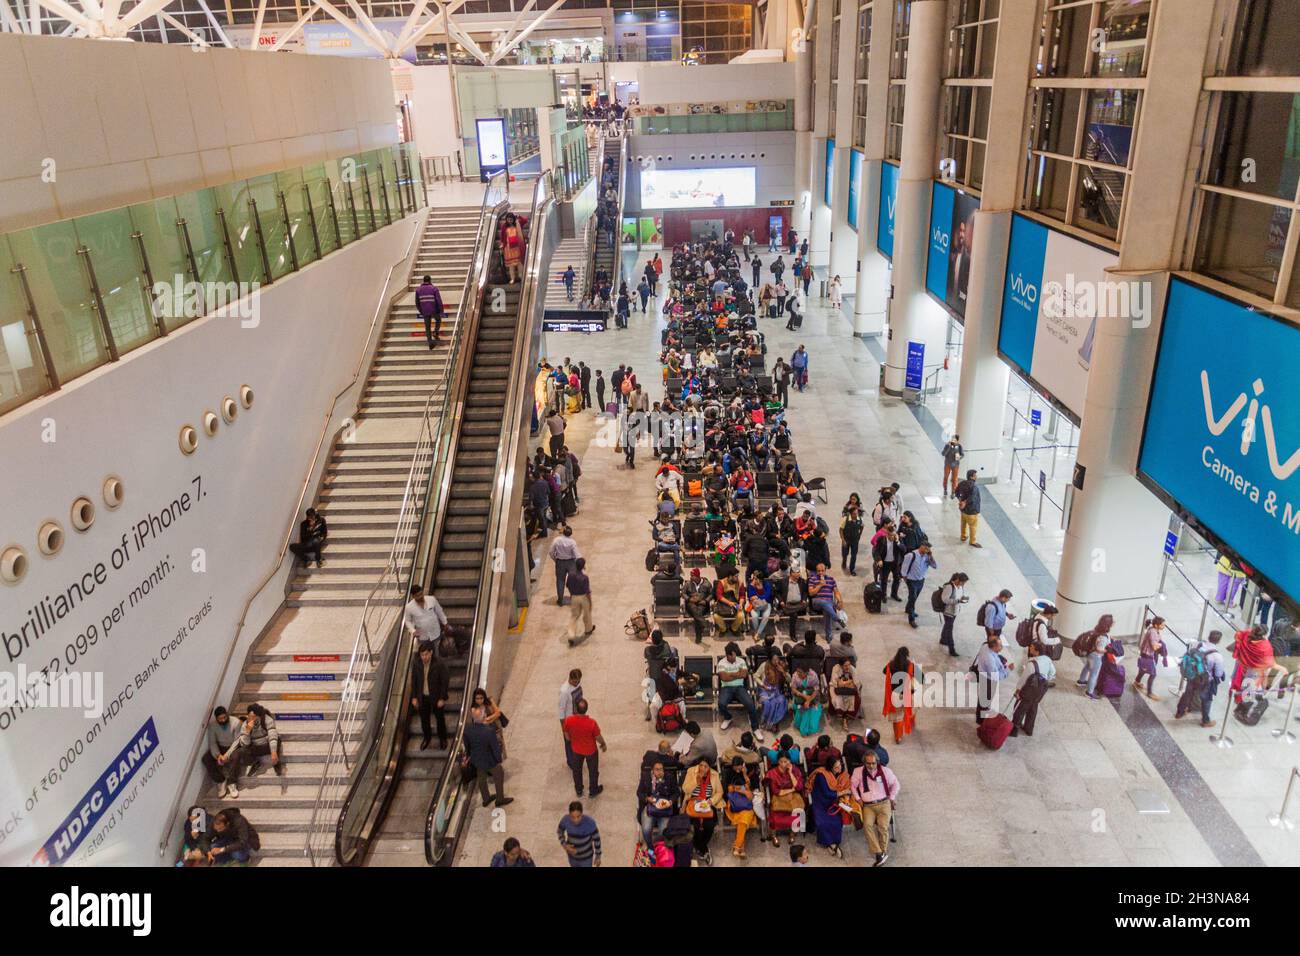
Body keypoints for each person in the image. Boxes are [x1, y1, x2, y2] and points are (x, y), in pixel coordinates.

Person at [850, 750, 899, 866]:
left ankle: (881, 853)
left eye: (873, 763)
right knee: (867, 825)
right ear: (864, 763)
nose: (871, 766)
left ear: (877, 762)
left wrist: (892, 797)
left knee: (883, 826)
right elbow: (852, 785)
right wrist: (857, 798)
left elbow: (896, 784)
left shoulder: (886, 772)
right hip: (868, 806)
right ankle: (879, 853)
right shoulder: (858, 772)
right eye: (868, 763)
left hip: (884, 803)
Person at [220, 703, 283, 782]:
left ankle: (276, 763)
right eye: (249, 716)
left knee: (277, 740)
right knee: (241, 751)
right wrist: (247, 731)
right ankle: (255, 763)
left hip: (267, 745)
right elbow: (244, 743)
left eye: (254, 716)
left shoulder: (267, 719)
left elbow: (272, 735)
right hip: (256, 747)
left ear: (259, 716)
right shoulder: (245, 725)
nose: (251, 718)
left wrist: (273, 752)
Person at [1175, 630, 1226, 727]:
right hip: (1205, 680)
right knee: (1206, 699)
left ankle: (1180, 712)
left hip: (1192, 675)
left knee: (1188, 693)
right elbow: (1219, 674)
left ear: (1209, 636)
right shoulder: (1217, 656)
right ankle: (1205, 720)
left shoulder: (1198, 645)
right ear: (1219, 641)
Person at [681, 758, 725, 865]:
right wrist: (696, 781)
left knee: (709, 826)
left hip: (707, 803)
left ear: (709, 767)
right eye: (701, 765)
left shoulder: (714, 775)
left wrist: (711, 801)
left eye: (706, 766)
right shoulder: (691, 771)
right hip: (693, 802)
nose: (703, 768)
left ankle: (699, 846)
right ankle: (703, 849)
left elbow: (719, 792)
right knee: (696, 826)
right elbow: (685, 789)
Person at [465, 711, 513, 808]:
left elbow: (467, 745)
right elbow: (495, 747)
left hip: (476, 758)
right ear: (484, 718)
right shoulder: (489, 731)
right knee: (499, 774)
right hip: (489, 760)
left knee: (481, 777)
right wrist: (499, 759)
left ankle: (486, 799)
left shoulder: (467, 729)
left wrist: (470, 755)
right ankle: (500, 799)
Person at [717, 642, 763, 739]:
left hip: (739, 687)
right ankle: (728, 717)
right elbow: (724, 678)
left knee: (750, 704)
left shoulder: (741, 660)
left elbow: (744, 675)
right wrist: (737, 673)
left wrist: (730, 674)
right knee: (721, 704)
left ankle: (755, 728)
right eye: (733, 655)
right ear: (728, 655)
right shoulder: (721, 663)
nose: (735, 657)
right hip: (726, 688)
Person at [410, 641, 450, 751]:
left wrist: (442, 698)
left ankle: (443, 739)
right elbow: (414, 681)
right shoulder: (417, 663)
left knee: (440, 719)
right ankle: (427, 738)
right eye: (422, 655)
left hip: (436, 697)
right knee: (424, 719)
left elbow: (444, 682)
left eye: (426, 654)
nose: (424, 657)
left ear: (431, 652)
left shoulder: (439, 664)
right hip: (423, 697)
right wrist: (414, 697)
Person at [807, 755, 849, 858]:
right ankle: (831, 844)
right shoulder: (822, 775)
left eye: (840, 766)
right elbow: (827, 793)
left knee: (837, 821)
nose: (839, 769)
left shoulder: (841, 774)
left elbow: (844, 784)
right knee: (823, 823)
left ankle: (833, 843)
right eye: (836, 767)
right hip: (820, 801)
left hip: (832, 802)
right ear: (830, 767)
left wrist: (844, 793)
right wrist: (843, 792)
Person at [562, 698, 606, 797]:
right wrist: (603, 744)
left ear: (576, 709)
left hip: (576, 750)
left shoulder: (569, 720)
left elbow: (566, 733)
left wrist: (570, 740)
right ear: (586, 709)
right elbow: (598, 737)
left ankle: (579, 790)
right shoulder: (591, 723)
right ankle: (593, 790)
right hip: (591, 751)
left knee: (577, 771)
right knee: (593, 771)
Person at [1011, 641, 1054, 737]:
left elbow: (1023, 679)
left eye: (1032, 647)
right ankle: (1028, 729)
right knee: (1033, 707)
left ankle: (1014, 730)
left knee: (1019, 708)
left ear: (1037, 652)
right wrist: (1045, 680)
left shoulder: (1031, 664)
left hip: (1029, 691)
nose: (1029, 648)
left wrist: (1018, 690)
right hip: (1040, 690)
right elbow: (1052, 672)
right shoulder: (1047, 659)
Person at [765, 752, 806, 845]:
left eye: (786, 761)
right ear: (778, 761)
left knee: (797, 814)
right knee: (775, 817)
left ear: (789, 761)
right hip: (779, 797)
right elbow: (776, 791)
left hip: (793, 798)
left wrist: (791, 773)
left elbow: (798, 787)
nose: (783, 764)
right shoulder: (773, 773)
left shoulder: (795, 770)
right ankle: (774, 835)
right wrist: (791, 790)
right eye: (781, 762)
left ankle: (792, 833)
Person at [882, 647, 920, 745]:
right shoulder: (910, 665)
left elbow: (884, 671)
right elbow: (921, 677)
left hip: (895, 695)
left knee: (897, 717)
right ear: (907, 655)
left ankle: (898, 737)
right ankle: (910, 722)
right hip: (907, 694)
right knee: (912, 707)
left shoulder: (891, 664)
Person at [722, 755, 759, 859]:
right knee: (744, 819)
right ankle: (739, 847)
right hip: (734, 803)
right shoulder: (728, 773)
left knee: (742, 821)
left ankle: (737, 847)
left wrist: (744, 773)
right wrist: (743, 790)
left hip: (746, 803)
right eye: (736, 767)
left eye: (739, 767)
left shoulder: (746, 772)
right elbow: (728, 790)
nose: (737, 769)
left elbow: (750, 785)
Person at [203, 707, 243, 798]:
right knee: (206, 759)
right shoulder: (212, 726)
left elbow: (237, 741)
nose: (223, 720)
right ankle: (220, 780)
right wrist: (218, 756)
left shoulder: (236, 722)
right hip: (220, 748)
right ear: (216, 719)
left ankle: (232, 782)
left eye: (225, 717)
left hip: (233, 746)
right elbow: (212, 742)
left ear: (227, 715)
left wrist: (227, 755)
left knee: (236, 756)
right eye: (220, 719)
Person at [973, 635, 1014, 722]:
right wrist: (1008, 670)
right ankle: (981, 720)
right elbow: (996, 676)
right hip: (988, 680)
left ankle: (980, 714)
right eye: (1000, 645)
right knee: (986, 699)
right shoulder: (989, 659)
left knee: (983, 697)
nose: (1002, 647)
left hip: (983, 675)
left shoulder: (985, 646)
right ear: (994, 647)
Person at [1074, 613, 1115, 698]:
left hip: (1090, 654)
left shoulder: (1098, 630)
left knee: (1087, 667)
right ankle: (1089, 693)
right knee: (1094, 674)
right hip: (1096, 657)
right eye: (1112, 621)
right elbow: (1099, 649)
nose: (1114, 622)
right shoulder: (1103, 636)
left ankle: (1081, 681)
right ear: (1108, 624)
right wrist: (1107, 650)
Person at [639, 760, 680, 843]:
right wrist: (647, 798)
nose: (660, 772)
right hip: (650, 807)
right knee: (646, 829)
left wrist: (670, 802)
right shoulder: (646, 777)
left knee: (663, 831)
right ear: (652, 770)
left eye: (661, 769)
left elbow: (677, 792)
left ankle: (655, 844)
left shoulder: (669, 777)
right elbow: (639, 792)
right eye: (657, 769)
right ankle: (650, 845)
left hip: (665, 808)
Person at [899, 543, 937, 628]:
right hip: (911, 580)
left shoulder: (927, 556)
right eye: (926, 548)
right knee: (912, 598)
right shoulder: (911, 555)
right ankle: (911, 619)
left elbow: (935, 566)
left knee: (914, 597)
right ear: (921, 546)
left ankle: (908, 609)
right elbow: (904, 568)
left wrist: (931, 556)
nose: (927, 550)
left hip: (921, 580)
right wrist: (905, 578)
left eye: (929, 549)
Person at [1135, 616, 1170, 700]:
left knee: (1143, 670)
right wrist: (1161, 645)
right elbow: (1154, 647)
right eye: (1162, 625)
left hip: (1147, 654)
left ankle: (1137, 682)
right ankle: (1149, 693)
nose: (1164, 626)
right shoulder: (1153, 632)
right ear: (1156, 625)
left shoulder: (1155, 630)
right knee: (1153, 674)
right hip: (1148, 655)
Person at [807, 562, 844, 642]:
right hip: (817, 601)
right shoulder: (812, 579)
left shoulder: (831, 579)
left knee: (827, 610)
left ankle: (829, 637)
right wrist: (820, 585)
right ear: (816, 571)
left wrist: (840, 600)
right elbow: (811, 593)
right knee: (825, 604)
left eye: (822, 571)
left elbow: (836, 592)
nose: (820, 573)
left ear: (825, 570)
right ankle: (837, 618)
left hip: (829, 602)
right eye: (818, 571)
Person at [404, 583, 449, 648]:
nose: (420, 597)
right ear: (413, 596)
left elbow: (439, 611)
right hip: (423, 637)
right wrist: (413, 631)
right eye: (417, 595)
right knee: (426, 653)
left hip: (435, 632)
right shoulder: (409, 607)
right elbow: (407, 621)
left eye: (421, 594)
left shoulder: (431, 599)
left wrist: (445, 623)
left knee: (437, 650)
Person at [557, 801, 602, 867]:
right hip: (572, 857)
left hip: (586, 859)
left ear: (582, 813)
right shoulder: (565, 820)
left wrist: (598, 856)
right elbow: (560, 831)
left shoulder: (590, 823)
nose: (576, 820)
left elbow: (597, 840)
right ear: (569, 814)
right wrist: (565, 845)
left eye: (578, 816)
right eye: (572, 817)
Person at [937, 572, 970, 656]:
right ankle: (952, 649)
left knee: (947, 626)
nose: (963, 584)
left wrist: (963, 599)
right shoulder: (949, 587)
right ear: (958, 580)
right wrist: (957, 601)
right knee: (949, 629)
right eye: (963, 582)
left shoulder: (960, 587)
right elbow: (944, 599)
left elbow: (959, 596)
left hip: (955, 611)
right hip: (948, 612)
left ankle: (943, 640)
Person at [565, 558, 595, 648]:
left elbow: (568, 585)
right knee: (587, 614)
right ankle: (588, 629)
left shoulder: (570, 575)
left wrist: (572, 594)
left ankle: (571, 635)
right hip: (584, 598)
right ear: (583, 567)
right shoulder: (585, 578)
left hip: (574, 597)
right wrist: (590, 602)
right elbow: (587, 591)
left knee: (574, 616)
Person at [557, 669, 584, 763]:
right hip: (569, 723)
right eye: (575, 681)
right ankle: (572, 762)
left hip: (578, 718)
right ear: (570, 679)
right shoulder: (564, 692)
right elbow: (561, 713)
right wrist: (565, 731)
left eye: (579, 681)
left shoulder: (578, 683)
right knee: (569, 744)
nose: (577, 683)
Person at [757, 656, 789, 733]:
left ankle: (774, 722)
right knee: (768, 703)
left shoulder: (781, 665)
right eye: (774, 659)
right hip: (765, 689)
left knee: (781, 700)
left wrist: (783, 672)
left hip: (776, 691)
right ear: (770, 659)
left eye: (777, 659)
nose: (776, 661)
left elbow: (789, 680)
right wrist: (762, 684)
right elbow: (755, 676)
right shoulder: (764, 665)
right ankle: (768, 722)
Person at [790, 663, 823, 737]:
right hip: (800, 696)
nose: (798, 673)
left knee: (813, 721)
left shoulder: (813, 675)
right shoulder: (795, 675)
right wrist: (804, 696)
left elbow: (816, 690)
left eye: (800, 672)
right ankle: (803, 726)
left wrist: (809, 700)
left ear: (806, 673)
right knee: (801, 709)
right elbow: (793, 688)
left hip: (812, 697)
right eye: (797, 671)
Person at [828, 659, 862, 729]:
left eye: (849, 665)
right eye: (845, 665)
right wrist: (848, 682)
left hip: (850, 690)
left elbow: (855, 683)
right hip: (837, 689)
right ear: (841, 666)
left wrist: (843, 683)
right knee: (836, 699)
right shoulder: (836, 668)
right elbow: (836, 683)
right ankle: (841, 715)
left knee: (854, 700)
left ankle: (846, 718)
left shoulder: (852, 669)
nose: (848, 667)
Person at [415, 275, 446, 348]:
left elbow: (417, 302)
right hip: (434, 310)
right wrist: (441, 310)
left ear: (423, 281)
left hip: (425, 311)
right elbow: (439, 300)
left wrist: (421, 311)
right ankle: (435, 332)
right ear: (430, 280)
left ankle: (430, 342)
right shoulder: (434, 289)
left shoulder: (418, 290)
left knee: (427, 327)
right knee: (438, 320)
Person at [955, 469, 982, 547]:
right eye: (975, 475)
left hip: (963, 510)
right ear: (972, 477)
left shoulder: (962, 483)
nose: (977, 476)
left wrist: (961, 500)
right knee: (973, 526)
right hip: (972, 510)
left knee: (963, 523)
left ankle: (963, 536)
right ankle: (972, 541)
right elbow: (972, 498)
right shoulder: (974, 486)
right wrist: (965, 502)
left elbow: (956, 491)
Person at [840, 497, 865, 576]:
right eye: (854, 514)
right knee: (845, 553)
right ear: (850, 513)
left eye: (856, 513)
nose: (856, 515)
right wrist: (843, 540)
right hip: (846, 539)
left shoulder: (860, 519)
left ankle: (852, 569)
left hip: (855, 541)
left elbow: (862, 526)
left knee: (854, 555)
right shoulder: (845, 519)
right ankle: (844, 561)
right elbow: (841, 530)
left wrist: (859, 534)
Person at [501, 212, 525, 283]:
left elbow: (525, 220)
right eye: (508, 219)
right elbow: (502, 237)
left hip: (517, 247)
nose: (509, 221)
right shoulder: (504, 227)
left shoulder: (517, 225)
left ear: (513, 219)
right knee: (511, 265)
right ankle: (512, 278)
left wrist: (518, 216)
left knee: (519, 262)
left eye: (511, 219)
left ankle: (521, 276)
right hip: (508, 248)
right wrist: (502, 244)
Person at [941, 434, 964, 499]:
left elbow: (962, 454)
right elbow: (943, 454)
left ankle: (953, 492)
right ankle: (945, 489)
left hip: (955, 465)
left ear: (957, 440)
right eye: (952, 439)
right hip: (947, 464)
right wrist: (949, 447)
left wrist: (959, 457)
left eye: (954, 439)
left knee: (954, 479)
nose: (952, 440)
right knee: (946, 477)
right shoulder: (947, 445)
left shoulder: (959, 446)